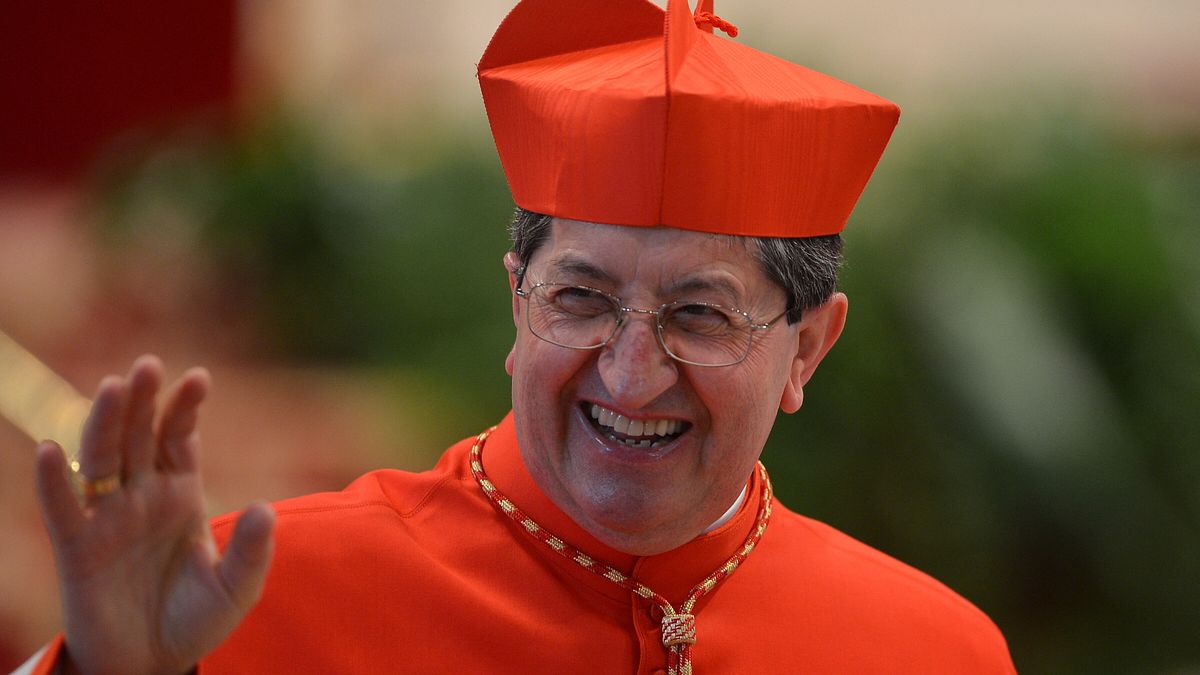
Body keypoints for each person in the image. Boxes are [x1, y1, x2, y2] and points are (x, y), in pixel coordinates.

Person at [25, 0, 1017, 672]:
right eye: (579, 299)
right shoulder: (246, 602)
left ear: (807, 349)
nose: (631, 375)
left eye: (699, 316)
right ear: (517, 302)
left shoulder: (932, 651)